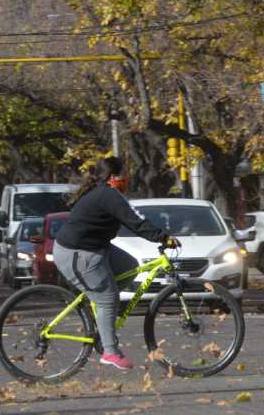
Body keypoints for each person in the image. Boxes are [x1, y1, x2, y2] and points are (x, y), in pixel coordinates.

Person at [53, 158, 179, 370]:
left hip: (94, 249)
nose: (127, 179)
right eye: (124, 175)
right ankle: (109, 351)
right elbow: (135, 222)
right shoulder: (108, 194)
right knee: (108, 298)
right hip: (76, 253)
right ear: (114, 177)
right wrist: (163, 237)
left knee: (129, 265)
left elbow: (133, 220)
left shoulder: (107, 193)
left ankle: (102, 312)